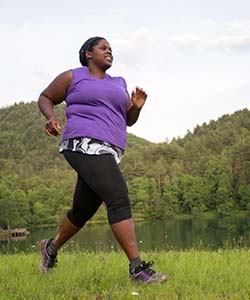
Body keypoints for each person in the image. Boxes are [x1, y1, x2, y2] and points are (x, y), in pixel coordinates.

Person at [38, 36, 167, 284]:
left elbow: (128, 119)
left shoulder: (119, 82)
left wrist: (137, 106)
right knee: (118, 197)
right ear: (88, 53)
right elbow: (45, 97)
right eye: (103, 48)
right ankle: (137, 269)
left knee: (82, 210)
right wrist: (51, 116)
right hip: (82, 142)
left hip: (110, 150)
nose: (109, 51)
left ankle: (50, 248)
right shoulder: (73, 76)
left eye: (111, 49)